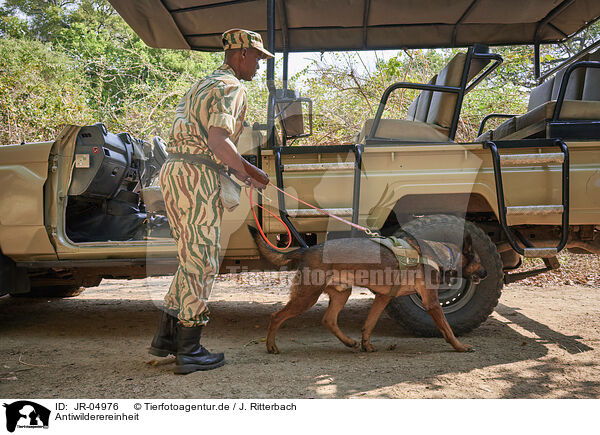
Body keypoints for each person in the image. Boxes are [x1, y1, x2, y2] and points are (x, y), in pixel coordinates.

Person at [149, 29, 273, 375]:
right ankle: (190, 350)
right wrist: (252, 172)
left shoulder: (202, 84)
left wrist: (240, 173)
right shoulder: (232, 87)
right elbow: (219, 142)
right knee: (203, 261)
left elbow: (207, 142)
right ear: (241, 54)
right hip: (195, 176)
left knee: (191, 257)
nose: (259, 66)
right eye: (258, 58)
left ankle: (166, 338)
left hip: (175, 171)